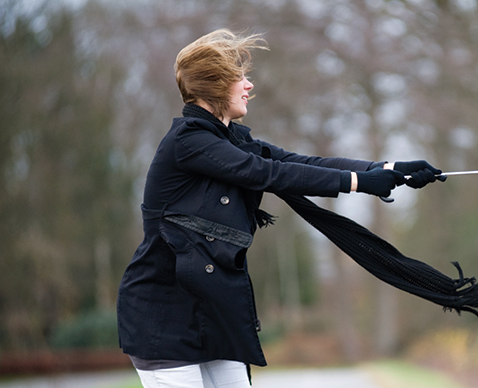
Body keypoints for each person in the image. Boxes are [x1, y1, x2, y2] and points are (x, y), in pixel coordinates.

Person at [116, 28, 443, 388]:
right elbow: (266, 173)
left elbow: (298, 160)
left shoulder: (233, 139)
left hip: (213, 312)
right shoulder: (188, 141)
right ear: (214, 84)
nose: (248, 85)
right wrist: (358, 183)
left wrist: (386, 169)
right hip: (163, 317)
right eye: (238, 77)